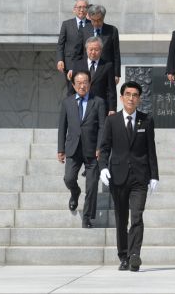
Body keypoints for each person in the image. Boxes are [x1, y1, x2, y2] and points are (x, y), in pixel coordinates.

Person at [99, 82, 159, 272]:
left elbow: (151, 149)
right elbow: (104, 147)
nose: (131, 98)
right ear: (121, 97)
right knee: (121, 218)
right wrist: (103, 167)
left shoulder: (146, 120)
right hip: (118, 177)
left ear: (139, 99)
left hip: (140, 177)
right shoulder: (112, 121)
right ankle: (123, 256)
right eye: (128, 94)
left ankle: (134, 255)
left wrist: (154, 175)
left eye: (135, 95)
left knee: (137, 216)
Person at [57, 71, 106, 228]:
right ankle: (75, 192)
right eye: (78, 83)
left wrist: (100, 147)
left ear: (90, 84)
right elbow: (62, 127)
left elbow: (102, 127)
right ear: (73, 85)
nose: (82, 85)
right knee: (69, 178)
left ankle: (87, 218)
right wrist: (60, 149)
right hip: (73, 148)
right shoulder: (67, 102)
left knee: (91, 186)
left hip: (92, 151)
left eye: (85, 82)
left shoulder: (98, 102)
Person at [69, 37, 117, 115]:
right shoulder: (78, 65)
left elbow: (111, 90)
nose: (93, 52)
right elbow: (72, 87)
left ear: (101, 50)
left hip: (101, 107)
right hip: (81, 105)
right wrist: (70, 105)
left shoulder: (108, 66)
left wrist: (112, 108)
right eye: (91, 49)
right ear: (86, 50)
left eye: (96, 50)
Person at [86, 4, 121, 98]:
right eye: (94, 20)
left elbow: (116, 53)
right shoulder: (84, 30)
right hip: (89, 68)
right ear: (90, 18)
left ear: (103, 17)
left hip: (106, 69)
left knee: (107, 95)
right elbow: (79, 51)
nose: (96, 23)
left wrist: (117, 74)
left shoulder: (112, 30)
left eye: (99, 20)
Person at [57, 0, 92, 90]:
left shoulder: (92, 25)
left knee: (86, 88)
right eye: (79, 7)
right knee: (71, 90)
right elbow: (60, 44)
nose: (82, 10)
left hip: (87, 63)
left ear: (87, 10)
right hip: (69, 63)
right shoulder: (66, 24)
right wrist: (60, 60)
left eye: (84, 7)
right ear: (74, 9)